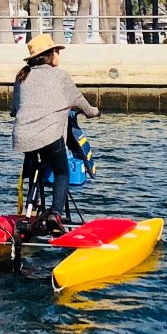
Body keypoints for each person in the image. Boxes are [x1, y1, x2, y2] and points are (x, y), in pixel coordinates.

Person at [11, 33, 99, 228]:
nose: (59, 55)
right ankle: (56, 214)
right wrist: (94, 112)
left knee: (35, 167)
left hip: (23, 136)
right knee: (62, 172)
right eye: (57, 51)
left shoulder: (22, 75)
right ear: (50, 55)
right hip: (49, 135)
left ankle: (30, 211)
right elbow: (81, 102)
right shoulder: (60, 76)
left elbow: (15, 109)